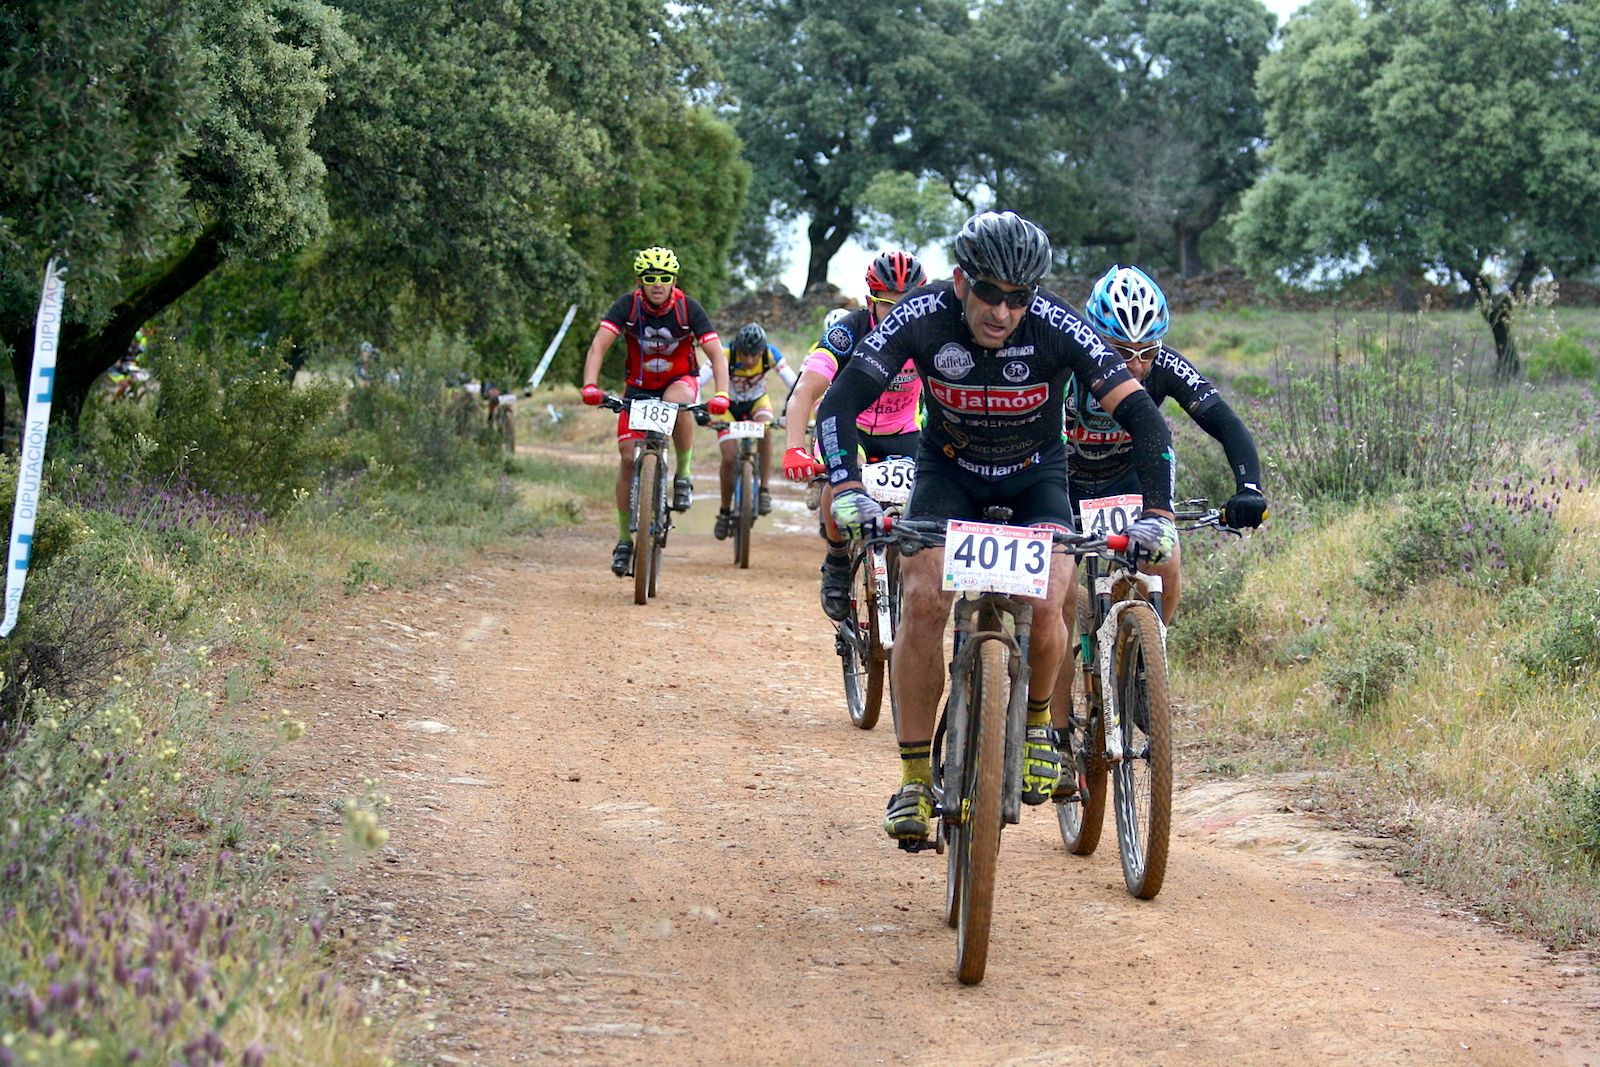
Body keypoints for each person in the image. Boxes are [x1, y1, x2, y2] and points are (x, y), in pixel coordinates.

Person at [815, 211, 1179, 843]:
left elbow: (1147, 420)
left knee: (1048, 603)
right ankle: (911, 779)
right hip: (947, 473)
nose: (1003, 312)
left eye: (1019, 298)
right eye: (989, 293)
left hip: (1036, 478)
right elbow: (839, 402)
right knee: (925, 599)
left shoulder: (1059, 327)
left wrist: (1157, 511)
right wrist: (848, 488)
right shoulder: (919, 316)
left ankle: (1039, 723)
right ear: (961, 281)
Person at [1068, 264, 1268, 624]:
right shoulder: (1067, 364)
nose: (1136, 367)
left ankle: (1147, 656)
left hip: (1129, 479)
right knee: (1059, 589)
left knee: (1168, 561)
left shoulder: (1165, 364)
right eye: (1121, 352)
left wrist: (1249, 487)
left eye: (1146, 352)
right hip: (1065, 481)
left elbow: (1224, 421)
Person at [783, 250, 928, 620]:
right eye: (886, 305)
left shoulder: (930, 333)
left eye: (907, 305)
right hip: (852, 427)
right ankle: (835, 560)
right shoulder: (847, 331)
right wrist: (794, 449)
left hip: (903, 431)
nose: (897, 315)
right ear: (870, 303)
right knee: (841, 477)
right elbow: (805, 391)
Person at [580, 247, 731, 577]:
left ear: (674, 281)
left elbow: (717, 355)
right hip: (637, 387)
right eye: (651, 278)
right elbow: (599, 345)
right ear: (640, 281)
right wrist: (590, 386)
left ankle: (684, 475)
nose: (658, 284)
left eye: (664, 278)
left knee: (677, 404)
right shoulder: (627, 306)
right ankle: (623, 541)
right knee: (624, 457)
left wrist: (722, 393)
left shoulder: (688, 308)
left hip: (679, 379)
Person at [703, 322, 797, 538]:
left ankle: (764, 490)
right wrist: (701, 410)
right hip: (728, 407)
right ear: (737, 349)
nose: (749, 360)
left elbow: (794, 383)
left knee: (766, 429)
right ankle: (724, 512)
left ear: (762, 351)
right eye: (744, 354)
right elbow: (697, 381)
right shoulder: (725, 354)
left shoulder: (771, 354)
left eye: (754, 355)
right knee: (729, 457)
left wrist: (788, 413)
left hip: (756, 403)